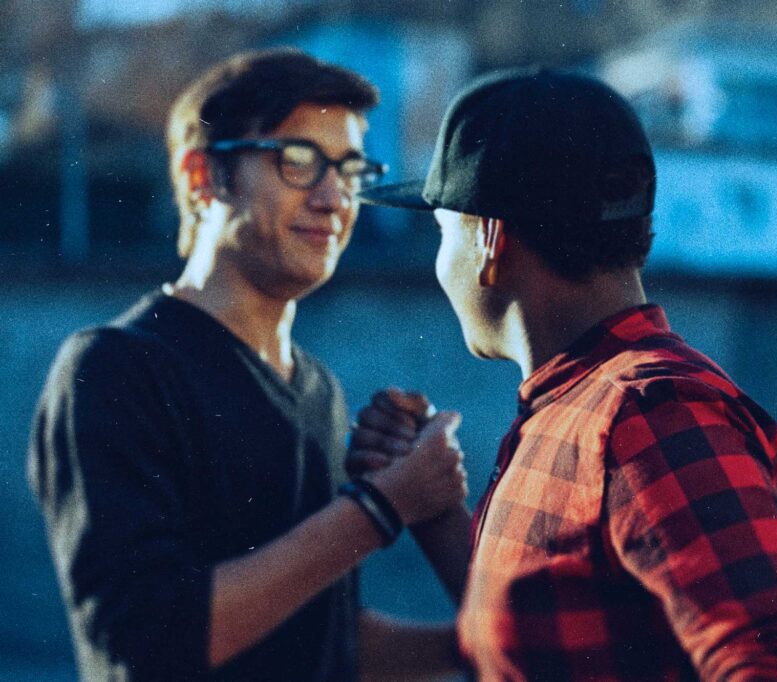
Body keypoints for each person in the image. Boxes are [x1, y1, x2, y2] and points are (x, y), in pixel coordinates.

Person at [356, 68, 777, 680]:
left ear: (488, 238)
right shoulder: (580, 408)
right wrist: (433, 514)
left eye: (440, 230)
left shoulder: (648, 414)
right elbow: (547, 642)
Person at [27, 49, 468, 681]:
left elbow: (323, 643)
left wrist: (488, 644)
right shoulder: (114, 369)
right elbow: (151, 640)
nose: (332, 197)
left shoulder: (317, 388)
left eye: (348, 169)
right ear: (204, 175)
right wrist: (379, 508)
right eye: (297, 161)